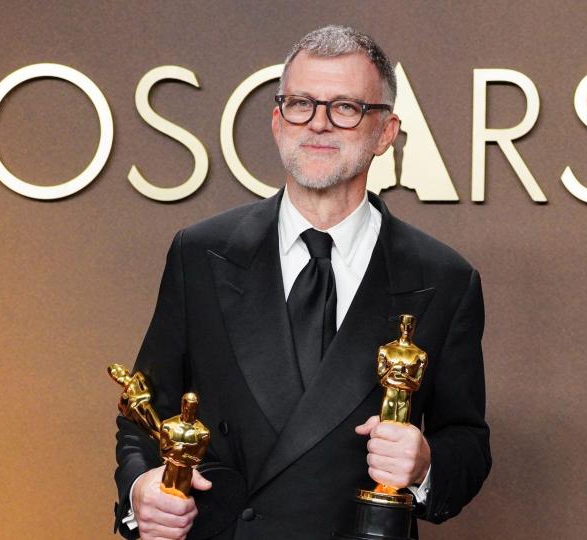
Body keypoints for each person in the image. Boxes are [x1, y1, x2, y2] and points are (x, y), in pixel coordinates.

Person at [113, 25, 491, 540]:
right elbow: (143, 412)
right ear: (276, 121)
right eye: (301, 104)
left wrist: (425, 466)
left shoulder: (442, 279)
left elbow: (466, 442)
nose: (318, 124)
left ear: (386, 132)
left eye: (346, 108)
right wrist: (142, 492)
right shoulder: (200, 253)